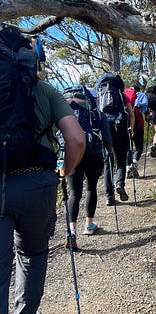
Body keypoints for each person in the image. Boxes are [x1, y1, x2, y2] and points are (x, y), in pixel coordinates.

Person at [0, 33, 85, 314]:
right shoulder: (45, 90)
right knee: (32, 253)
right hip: (36, 183)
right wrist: (64, 171)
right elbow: (77, 139)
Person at [62, 87, 112, 250]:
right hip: (93, 155)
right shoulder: (98, 114)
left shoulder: (67, 112)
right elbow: (107, 138)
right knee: (91, 189)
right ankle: (89, 225)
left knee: (74, 193)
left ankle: (71, 231)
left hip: (72, 154)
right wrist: (109, 153)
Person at [96, 73, 134, 205]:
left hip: (105, 129)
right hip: (120, 126)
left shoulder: (99, 96)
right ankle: (119, 183)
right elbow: (131, 113)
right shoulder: (122, 95)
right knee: (121, 159)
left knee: (108, 162)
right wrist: (131, 128)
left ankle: (109, 197)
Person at [125, 84, 148, 177]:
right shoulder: (142, 96)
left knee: (128, 148)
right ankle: (134, 162)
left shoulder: (122, 94)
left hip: (125, 125)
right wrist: (148, 119)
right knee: (138, 147)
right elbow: (145, 111)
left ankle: (127, 167)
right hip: (138, 125)